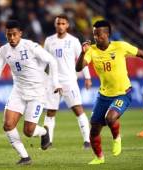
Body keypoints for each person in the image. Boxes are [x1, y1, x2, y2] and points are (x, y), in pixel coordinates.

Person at [75, 20, 143, 165]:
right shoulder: (91, 50)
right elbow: (78, 68)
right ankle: (99, 157)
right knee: (93, 130)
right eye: (94, 34)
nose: (95, 37)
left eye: (98, 35)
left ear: (107, 34)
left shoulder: (120, 46)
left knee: (110, 118)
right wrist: (82, 53)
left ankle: (117, 137)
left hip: (122, 93)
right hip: (103, 95)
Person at [0, 20, 62, 165]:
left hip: (37, 93)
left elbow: (52, 61)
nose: (11, 38)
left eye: (14, 34)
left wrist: (55, 83)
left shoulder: (30, 46)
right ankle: (25, 157)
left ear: (20, 34)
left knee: (28, 132)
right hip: (18, 91)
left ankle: (44, 132)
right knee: (8, 124)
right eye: (8, 35)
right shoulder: (3, 50)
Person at [43, 14, 91, 148]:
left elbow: (81, 60)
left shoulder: (74, 41)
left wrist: (87, 77)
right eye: (58, 23)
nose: (60, 26)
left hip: (69, 81)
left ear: (67, 25)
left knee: (78, 110)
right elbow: (44, 61)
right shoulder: (48, 41)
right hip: (53, 81)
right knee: (50, 112)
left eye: (63, 23)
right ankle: (48, 141)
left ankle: (87, 141)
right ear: (55, 25)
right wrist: (42, 78)